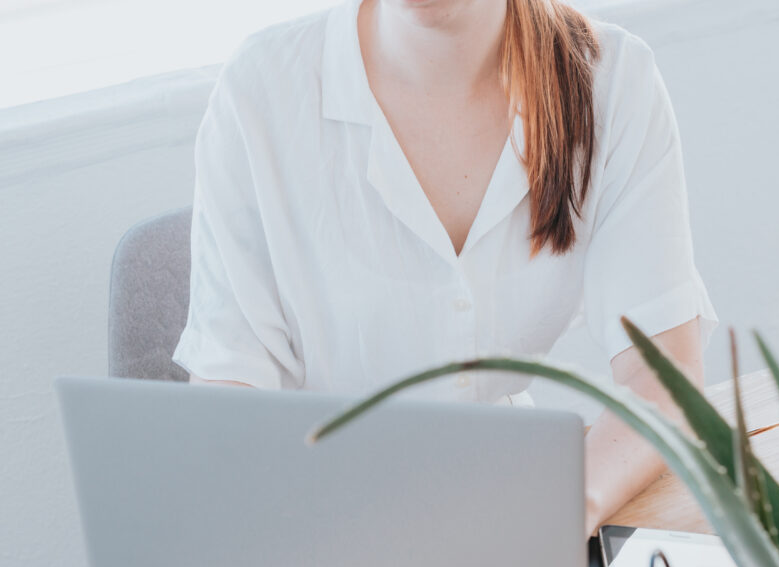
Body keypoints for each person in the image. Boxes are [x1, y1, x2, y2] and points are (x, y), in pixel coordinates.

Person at [172, 0, 719, 538]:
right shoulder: (261, 89)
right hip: (314, 522)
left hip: (504, 510)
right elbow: (229, 397)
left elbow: (662, 379)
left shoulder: (613, 83)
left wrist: (561, 511)